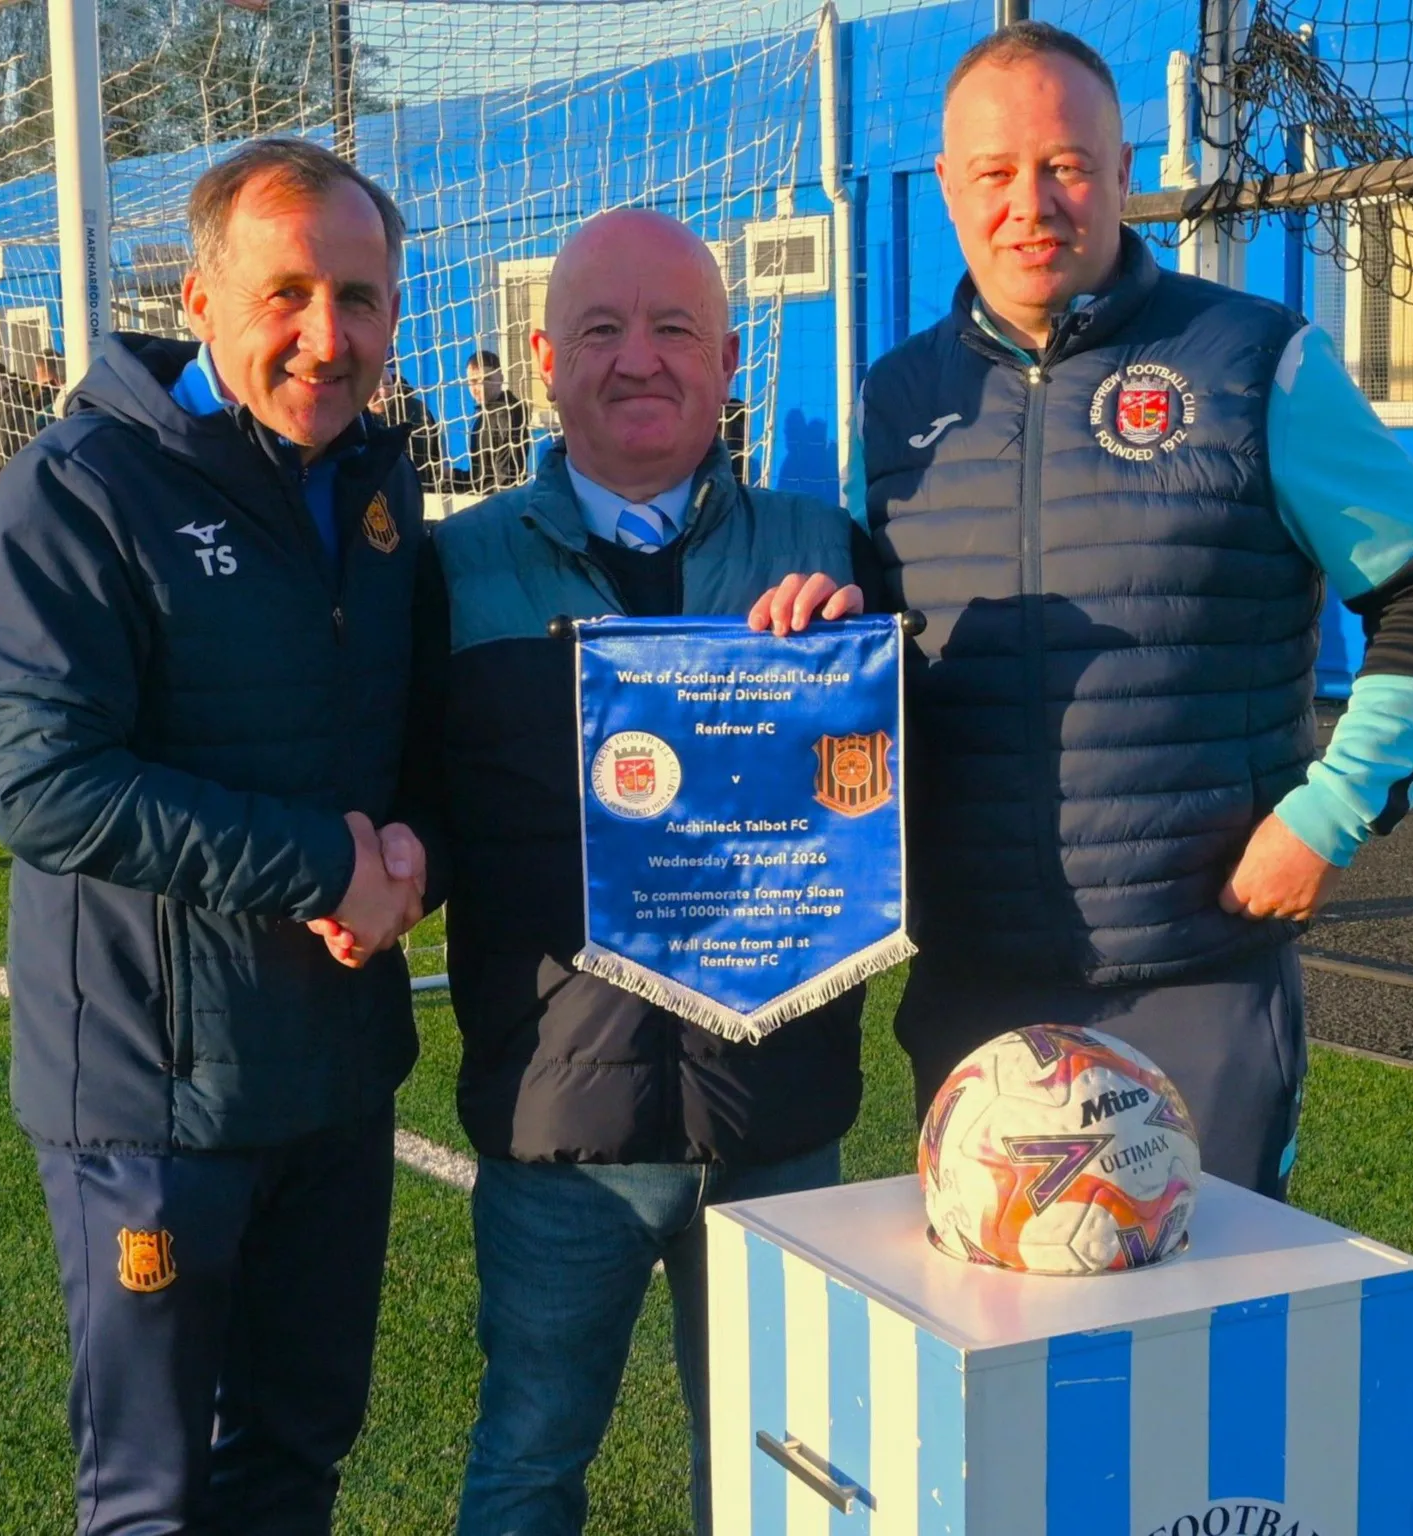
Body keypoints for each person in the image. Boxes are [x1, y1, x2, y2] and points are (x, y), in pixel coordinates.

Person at [781, 22, 1413, 1201]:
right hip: (974, 984)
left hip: (1198, 973)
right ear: (947, 185)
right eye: (994, 172)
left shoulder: (1254, 361)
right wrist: (819, 627)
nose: (1029, 204)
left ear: (1123, 168)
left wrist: (1328, 817)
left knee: (1204, 1347)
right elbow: (878, 662)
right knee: (1001, 1338)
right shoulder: (894, 403)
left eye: (1067, 164)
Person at [0, 136, 438, 1535]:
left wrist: (412, 857)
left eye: (359, 298)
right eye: (285, 292)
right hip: (147, 1101)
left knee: (295, 1464)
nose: (324, 334)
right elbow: (43, 785)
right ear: (198, 296)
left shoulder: (377, 486)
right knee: (157, 1502)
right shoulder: (82, 487)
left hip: (332, 1079)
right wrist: (322, 863)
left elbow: (402, 738)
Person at [424, 208, 873, 1536]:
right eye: (602, 329)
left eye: (674, 327)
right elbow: (411, 803)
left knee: (783, 1482)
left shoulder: (827, 548)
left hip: (778, 1119)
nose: (639, 359)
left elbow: (899, 800)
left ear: (729, 358)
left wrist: (850, 676)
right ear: (540, 358)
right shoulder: (459, 570)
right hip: (561, 1126)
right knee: (526, 1465)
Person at [368, 361, 445, 489]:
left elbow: (435, 457)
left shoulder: (417, 412)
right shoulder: (352, 420)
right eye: (375, 385)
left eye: (387, 384)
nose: (383, 392)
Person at [464, 346, 529, 492]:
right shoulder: (483, 416)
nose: (480, 387)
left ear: (501, 378)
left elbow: (505, 480)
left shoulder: (508, 414)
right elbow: (481, 478)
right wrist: (453, 476)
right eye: (473, 382)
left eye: (487, 379)